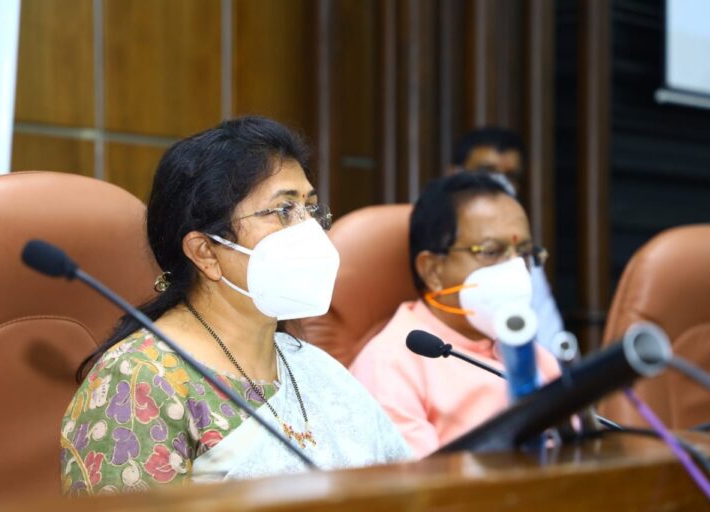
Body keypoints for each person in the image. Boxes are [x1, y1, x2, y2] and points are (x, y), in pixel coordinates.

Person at [60, 116, 411, 495]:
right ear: (205, 251)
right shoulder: (140, 382)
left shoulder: (313, 368)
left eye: (310, 208)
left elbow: (409, 494)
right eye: (282, 210)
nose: (309, 228)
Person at [350, 173, 560, 458]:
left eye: (523, 253)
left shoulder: (531, 353)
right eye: (491, 251)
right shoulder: (389, 365)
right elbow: (424, 492)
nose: (516, 270)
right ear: (433, 270)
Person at [449, 127, 564, 351]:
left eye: (511, 176)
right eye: (486, 171)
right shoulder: (431, 237)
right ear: (455, 173)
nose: (500, 184)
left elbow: (551, 343)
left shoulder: (522, 254)